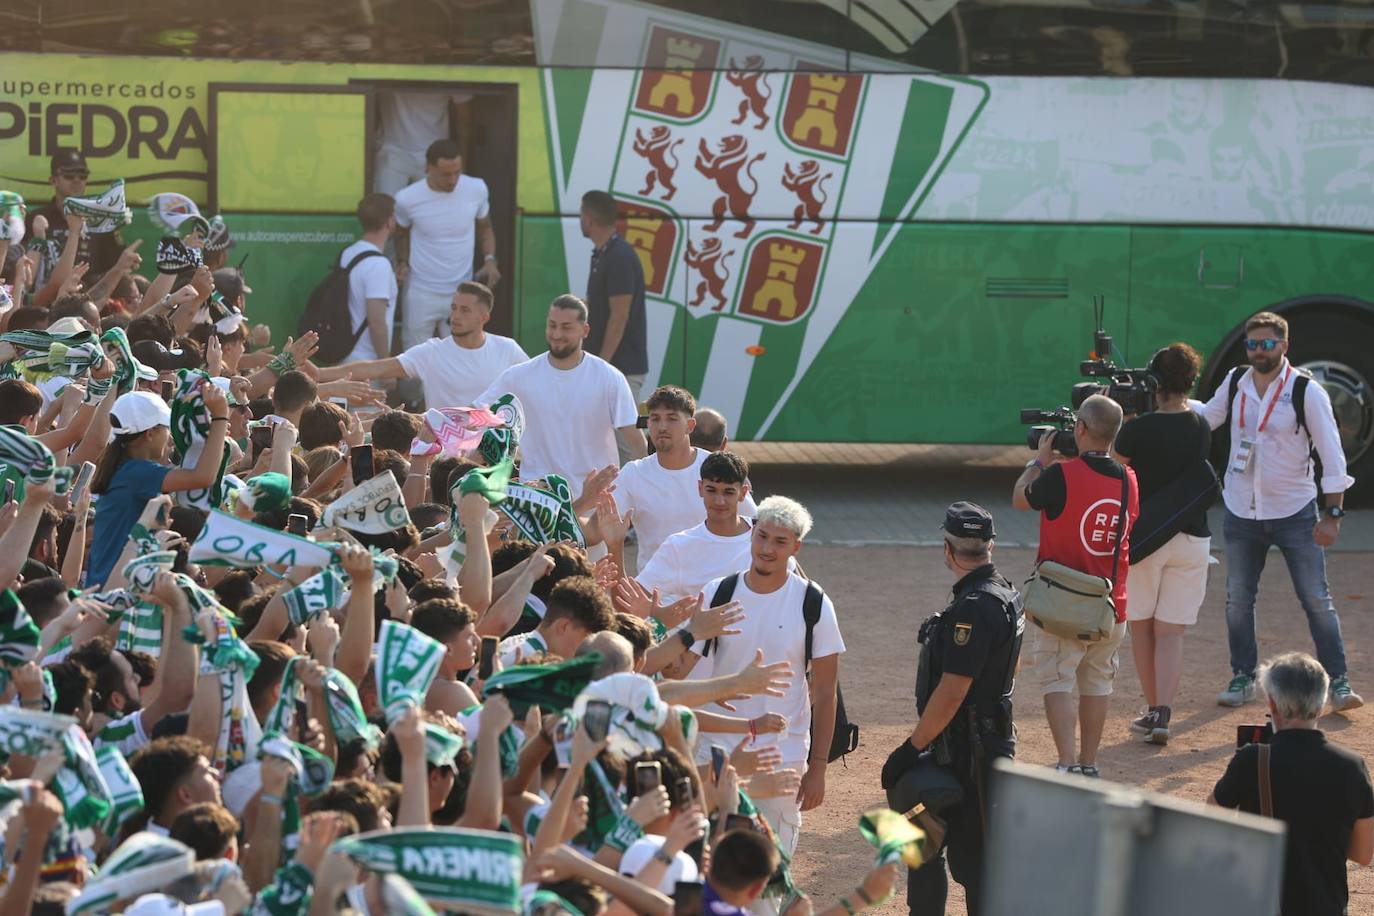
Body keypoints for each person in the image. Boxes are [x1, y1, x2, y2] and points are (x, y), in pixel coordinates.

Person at [1195, 311, 1361, 710]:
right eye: (1252, 344)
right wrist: (1168, 402)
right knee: (1238, 598)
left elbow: (1332, 454)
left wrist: (1332, 514)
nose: (1258, 352)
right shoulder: (1236, 382)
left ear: (1284, 347)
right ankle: (1243, 676)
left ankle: (1338, 681)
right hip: (1241, 510)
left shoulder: (1306, 391)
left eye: (1267, 344)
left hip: (1295, 512)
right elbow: (1208, 416)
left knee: (1316, 599)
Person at [681, 496, 842, 858]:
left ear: (796, 547)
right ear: (752, 534)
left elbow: (826, 690)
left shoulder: (813, 603)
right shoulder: (717, 593)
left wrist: (818, 768)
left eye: (780, 541)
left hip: (781, 753)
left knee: (772, 863)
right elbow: (678, 673)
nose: (767, 548)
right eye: (762, 536)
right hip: (715, 746)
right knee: (707, 857)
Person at [882, 502, 1022, 916]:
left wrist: (910, 749)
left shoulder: (974, 608)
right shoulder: (1004, 593)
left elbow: (953, 691)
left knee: (972, 862)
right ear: (990, 546)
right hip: (983, 742)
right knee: (935, 840)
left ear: (948, 549)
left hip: (969, 752)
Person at [1012, 394, 1138, 777]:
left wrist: (1039, 461)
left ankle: (1066, 763)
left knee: (1057, 680)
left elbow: (1020, 499)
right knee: (1097, 683)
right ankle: (1088, 764)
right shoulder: (1129, 480)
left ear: (1080, 428)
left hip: (1062, 604)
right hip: (1110, 604)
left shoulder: (1059, 476)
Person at [1208, 652, 1373, 916]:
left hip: (1262, 904)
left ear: (1272, 704)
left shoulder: (1253, 760)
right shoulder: (1352, 766)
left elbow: (1212, 820)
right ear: (1320, 706)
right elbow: (1363, 854)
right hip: (1326, 906)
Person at [1113, 343, 1216, 745]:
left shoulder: (1138, 428)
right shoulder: (1201, 426)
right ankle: (1164, 714)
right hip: (1192, 537)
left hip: (1146, 537)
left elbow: (1116, 464)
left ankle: (1152, 709)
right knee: (1172, 633)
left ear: (1155, 381)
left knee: (1142, 628)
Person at [477, 295, 645, 497]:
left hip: (594, 504)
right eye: (552, 325)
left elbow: (635, 440)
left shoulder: (609, 378)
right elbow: (476, 411)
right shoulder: (518, 376)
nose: (556, 334)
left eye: (566, 327)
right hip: (537, 502)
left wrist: (641, 492)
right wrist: (434, 424)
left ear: (585, 330)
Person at [600, 386, 756, 573]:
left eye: (672, 419)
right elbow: (594, 532)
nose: (662, 426)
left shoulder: (717, 466)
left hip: (714, 592)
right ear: (648, 424)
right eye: (655, 419)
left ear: (690, 426)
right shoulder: (633, 474)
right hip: (655, 592)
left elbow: (757, 525)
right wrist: (583, 502)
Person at [87, 388, 230, 588]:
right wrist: (220, 417)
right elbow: (203, 477)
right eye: (165, 427)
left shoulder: (126, 467)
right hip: (114, 588)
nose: (169, 435)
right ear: (151, 434)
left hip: (106, 582)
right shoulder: (136, 473)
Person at [337, 281, 526, 410]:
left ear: (484, 318)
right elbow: (376, 368)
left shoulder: (508, 349)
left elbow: (536, 383)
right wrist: (320, 375)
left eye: (465, 310)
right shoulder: (432, 351)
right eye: (454, 308)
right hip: (444, 458)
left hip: (495, 459)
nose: (455, 316)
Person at [394, 139, 499, 351]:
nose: (453, 180)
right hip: (421, 291)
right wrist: (403, 261)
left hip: (461, 291)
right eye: (445, 174)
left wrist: (490, 260)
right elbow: (401, 233)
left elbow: (485, 228)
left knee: (461, 355)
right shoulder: (407, 199)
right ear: (428, 169)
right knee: (415, 358)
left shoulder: (476, 188)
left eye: (457, 173)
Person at [580, 191, 647, 401]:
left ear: (590, 219)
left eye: (581, 214)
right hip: (613, 368)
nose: (580, 220)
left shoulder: (619, 256)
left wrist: (602, 366)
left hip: (621, 370)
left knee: (628, 434)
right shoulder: (603, 254)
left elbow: (619, 316)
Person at [24, 148, 123, 284]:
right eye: (69, 175)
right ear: (53, 181)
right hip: (44, 297)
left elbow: (113, 267)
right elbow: (24, 270)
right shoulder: (35, 219)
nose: (77, 180)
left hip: (89, 298)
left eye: (82, 175)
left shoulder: (100, 220)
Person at [340, 193, 399, 365]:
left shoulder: (348, 253)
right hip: (368, 362)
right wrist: (386, 365)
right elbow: (376, 321)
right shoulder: (379, 265)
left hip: (345, 354)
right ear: (389, 221)